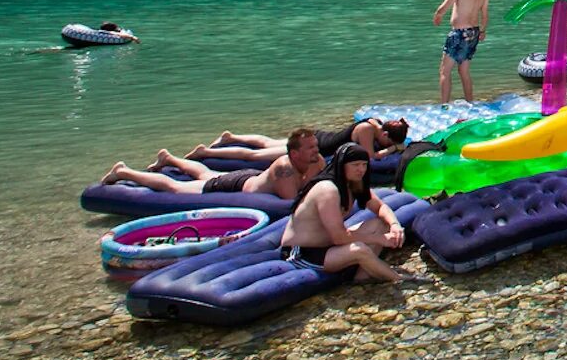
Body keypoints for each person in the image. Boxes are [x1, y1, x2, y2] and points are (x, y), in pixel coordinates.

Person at [280, 143, 406, 283]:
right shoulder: (328, 190)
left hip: (328, 244)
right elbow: (339, 237)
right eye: (355, 165)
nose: (361, 170)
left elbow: (380, 207)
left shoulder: (353, 183)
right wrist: (380, 239)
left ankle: (363, 277)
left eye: (364, 165)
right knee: (360, 250)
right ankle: (401, 280)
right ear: (342, 164)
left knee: (380, 224)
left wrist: (394, 225)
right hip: (303, 252)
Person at [103, 129, 322, 198]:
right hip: (236, 185)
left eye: (315, 145)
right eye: (310, 147)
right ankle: (124, 172)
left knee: (205, 174)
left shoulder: (317, 160)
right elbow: (291, 201)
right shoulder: (284, 167)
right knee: (175, 187)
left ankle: (168, 159)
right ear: (294, 153)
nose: (316, 150)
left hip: (248, 177)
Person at [204, 118, 409, 163]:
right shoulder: (365, 130)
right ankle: (206, 153)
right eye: (387, 143)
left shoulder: (374, 122)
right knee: (256, 155)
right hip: (316, 145)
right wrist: (393, 150)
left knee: (268, 142)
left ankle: (231, 137)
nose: (387, 146)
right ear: (385, 135)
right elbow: (371, 157)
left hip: (319, 137)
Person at [433, 0, 489, 104]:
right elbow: (484, 14)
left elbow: (447, 4)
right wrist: (483, 31)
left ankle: (444, 105)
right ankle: (470, 102)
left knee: (445, 71)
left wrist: (438, 14)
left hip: (459, 33)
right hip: (474, 32)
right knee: (464, 70)